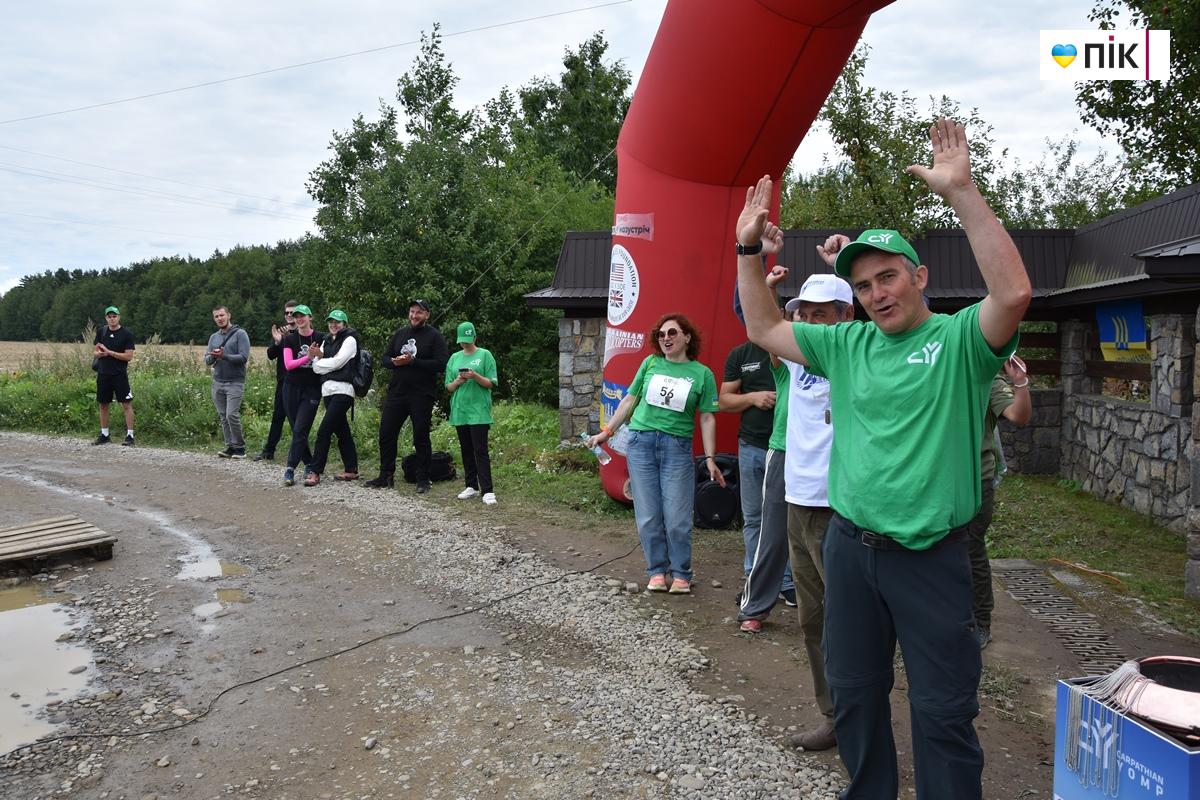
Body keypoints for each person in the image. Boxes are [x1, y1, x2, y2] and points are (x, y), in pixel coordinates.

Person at [735, 118, 1031, 800]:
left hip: (930, 558)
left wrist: (961, 192)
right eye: (864, 286)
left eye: (888, 276)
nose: (877, 293)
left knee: (942, 710)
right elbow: (763, 326)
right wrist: (747, 248)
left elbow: (1013, 294)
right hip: (849, 548)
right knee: (856, 692)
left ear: (918, 276)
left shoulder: (960, 341)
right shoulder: (848, 346)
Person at [588, 313, 724, 594]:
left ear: (687, 337)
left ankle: (681, 572)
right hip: (642, 444)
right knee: (648, 515)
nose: (666, 339)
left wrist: (710, 458)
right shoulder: (650, 363)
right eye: (661, 335)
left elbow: (708, 417)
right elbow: (629, 400)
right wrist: (606, 432)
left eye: (672, 333)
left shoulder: (702, 374)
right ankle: (657, 571)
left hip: (677, 448)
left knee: (676, 518)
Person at [780, 274, 854, 753]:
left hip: (840, 506)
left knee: (848, 619)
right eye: (803, 312)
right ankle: (833, 716)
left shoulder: (855, 354)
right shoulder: (796, 356)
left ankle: (859, 716)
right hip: (798, 499)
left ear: (846, 316)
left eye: (820, 312)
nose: (807, 320)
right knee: (811, 618)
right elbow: (758, 322)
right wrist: (755, 258)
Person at [720, 331, 797, 606]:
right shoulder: (741, 354)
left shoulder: (794, 346)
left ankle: (787, 582)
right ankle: (755, 578)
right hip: (752, 446)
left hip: (790, 448)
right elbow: (725, 399)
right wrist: (753, 398)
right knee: (753, 518)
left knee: (788, 520)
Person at [969, 354, 1031, 648]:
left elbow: (1018, 415)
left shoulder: (986, 376)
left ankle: (981, 622)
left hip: (975, 482)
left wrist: (1020, 383)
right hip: (938, 481)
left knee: (970, 549)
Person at [366, 299, 448, 492]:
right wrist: (395, 362)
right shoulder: (400, 334)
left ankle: (423, 479)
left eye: (418, 312)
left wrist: (413, 361)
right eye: (412, 311)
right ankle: (385, 476)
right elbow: (385, 358)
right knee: (386, 433)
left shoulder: (434, 336)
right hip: (397, 392)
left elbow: (441, 364)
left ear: (426, 315)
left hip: (421, 394)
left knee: (420, 436)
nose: (414, 315)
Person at [445, 321, 499, 505]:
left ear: (475, 337)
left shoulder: (485, 355)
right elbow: (449, 386)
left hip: (479, 411)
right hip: (460, 410)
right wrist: (459, 380)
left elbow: (491, 383)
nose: (465, 344)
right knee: (466, 450)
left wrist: (474, 375)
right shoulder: (454, 358)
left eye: (468, 340)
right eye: (462, 341)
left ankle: (487, 490)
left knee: (480, 450)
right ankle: (471, 486)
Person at [304, 310, 360, 485]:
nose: (334, 325)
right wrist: (325, 362)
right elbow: (315, 367)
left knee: (324, 431)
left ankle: (315, 471)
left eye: (338, 322)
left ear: (345, 324)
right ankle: (351, 469)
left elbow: (338, 362)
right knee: (342, 432)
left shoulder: (350, 340)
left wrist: (323, 361)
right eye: (331, 322)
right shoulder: (327, 340)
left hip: (343, 391)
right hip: (328, 391)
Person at [278, 305, 325, 487]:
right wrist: (307, 357)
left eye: (302, 316)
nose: (299, 319)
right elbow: (289, 365)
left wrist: (318, 354)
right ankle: (309, 463)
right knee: (297, 429)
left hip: (312, 388)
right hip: (291, 387)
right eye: (296, 316)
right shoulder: (289, 339)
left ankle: (290, 468)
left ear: (310, 317)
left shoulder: (321, 337)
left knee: (301, 428)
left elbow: (325, 358)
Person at [204, 306, 252, 458]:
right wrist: (213, 356)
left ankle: (240, 448)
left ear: (229, 315)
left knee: (232, 414)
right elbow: (207, 360)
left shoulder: (240, 334)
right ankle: (229, 446)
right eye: (216, 316)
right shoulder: (213, 337)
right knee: (223, 416)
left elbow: (243, 357)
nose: (220, 318)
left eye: (222, 315)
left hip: (235, 381)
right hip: (218, 381)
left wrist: (225, 356)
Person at [256, 301, 298, 461]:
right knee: (278, 416)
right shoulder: (281, 332)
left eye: (292, 313)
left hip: (300, 383)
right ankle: (269, 451)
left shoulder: (302, 333)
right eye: (286, 313)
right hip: (283, 381)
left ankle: (300, 452)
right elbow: (270, 355)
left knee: (296, 419)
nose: (289, 316)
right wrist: (277, 341)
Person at [92, 305, 136, 446]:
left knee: (126, 405)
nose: (112, 319)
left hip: (119, 374)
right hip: (103, 373)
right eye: (109, 317)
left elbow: (129, 356)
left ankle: (130, 436)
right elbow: (96, 351)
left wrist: (109, 352)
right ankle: (104, 434)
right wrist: (99, 354)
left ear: (119, 317)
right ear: (106, 318)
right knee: (103, 404)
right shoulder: (102, 332)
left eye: (114, 316)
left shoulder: (126, 334)